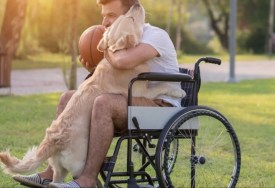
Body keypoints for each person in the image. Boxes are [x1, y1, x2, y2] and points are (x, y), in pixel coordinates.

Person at [12, 0, 183, 187]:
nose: (105, 23)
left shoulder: (155, 36)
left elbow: (123, 62)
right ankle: (51, 172)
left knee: (104, 104)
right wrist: (96, 67)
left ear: (128, 15)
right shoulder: (118, 37)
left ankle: (87, 180)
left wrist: (105, 47)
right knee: (68, 97)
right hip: (132, 98)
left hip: (161, 105)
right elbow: (112, 79)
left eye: (111, 16)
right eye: (103, 16)